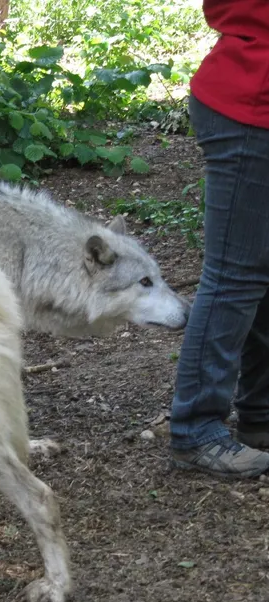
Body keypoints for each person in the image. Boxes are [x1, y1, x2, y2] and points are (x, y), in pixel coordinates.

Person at [169, 0, 269, 479]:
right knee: (235, 275)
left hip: (254, 102)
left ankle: (260, 417)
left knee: (258, 273)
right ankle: (195, 429)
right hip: (251, 107)